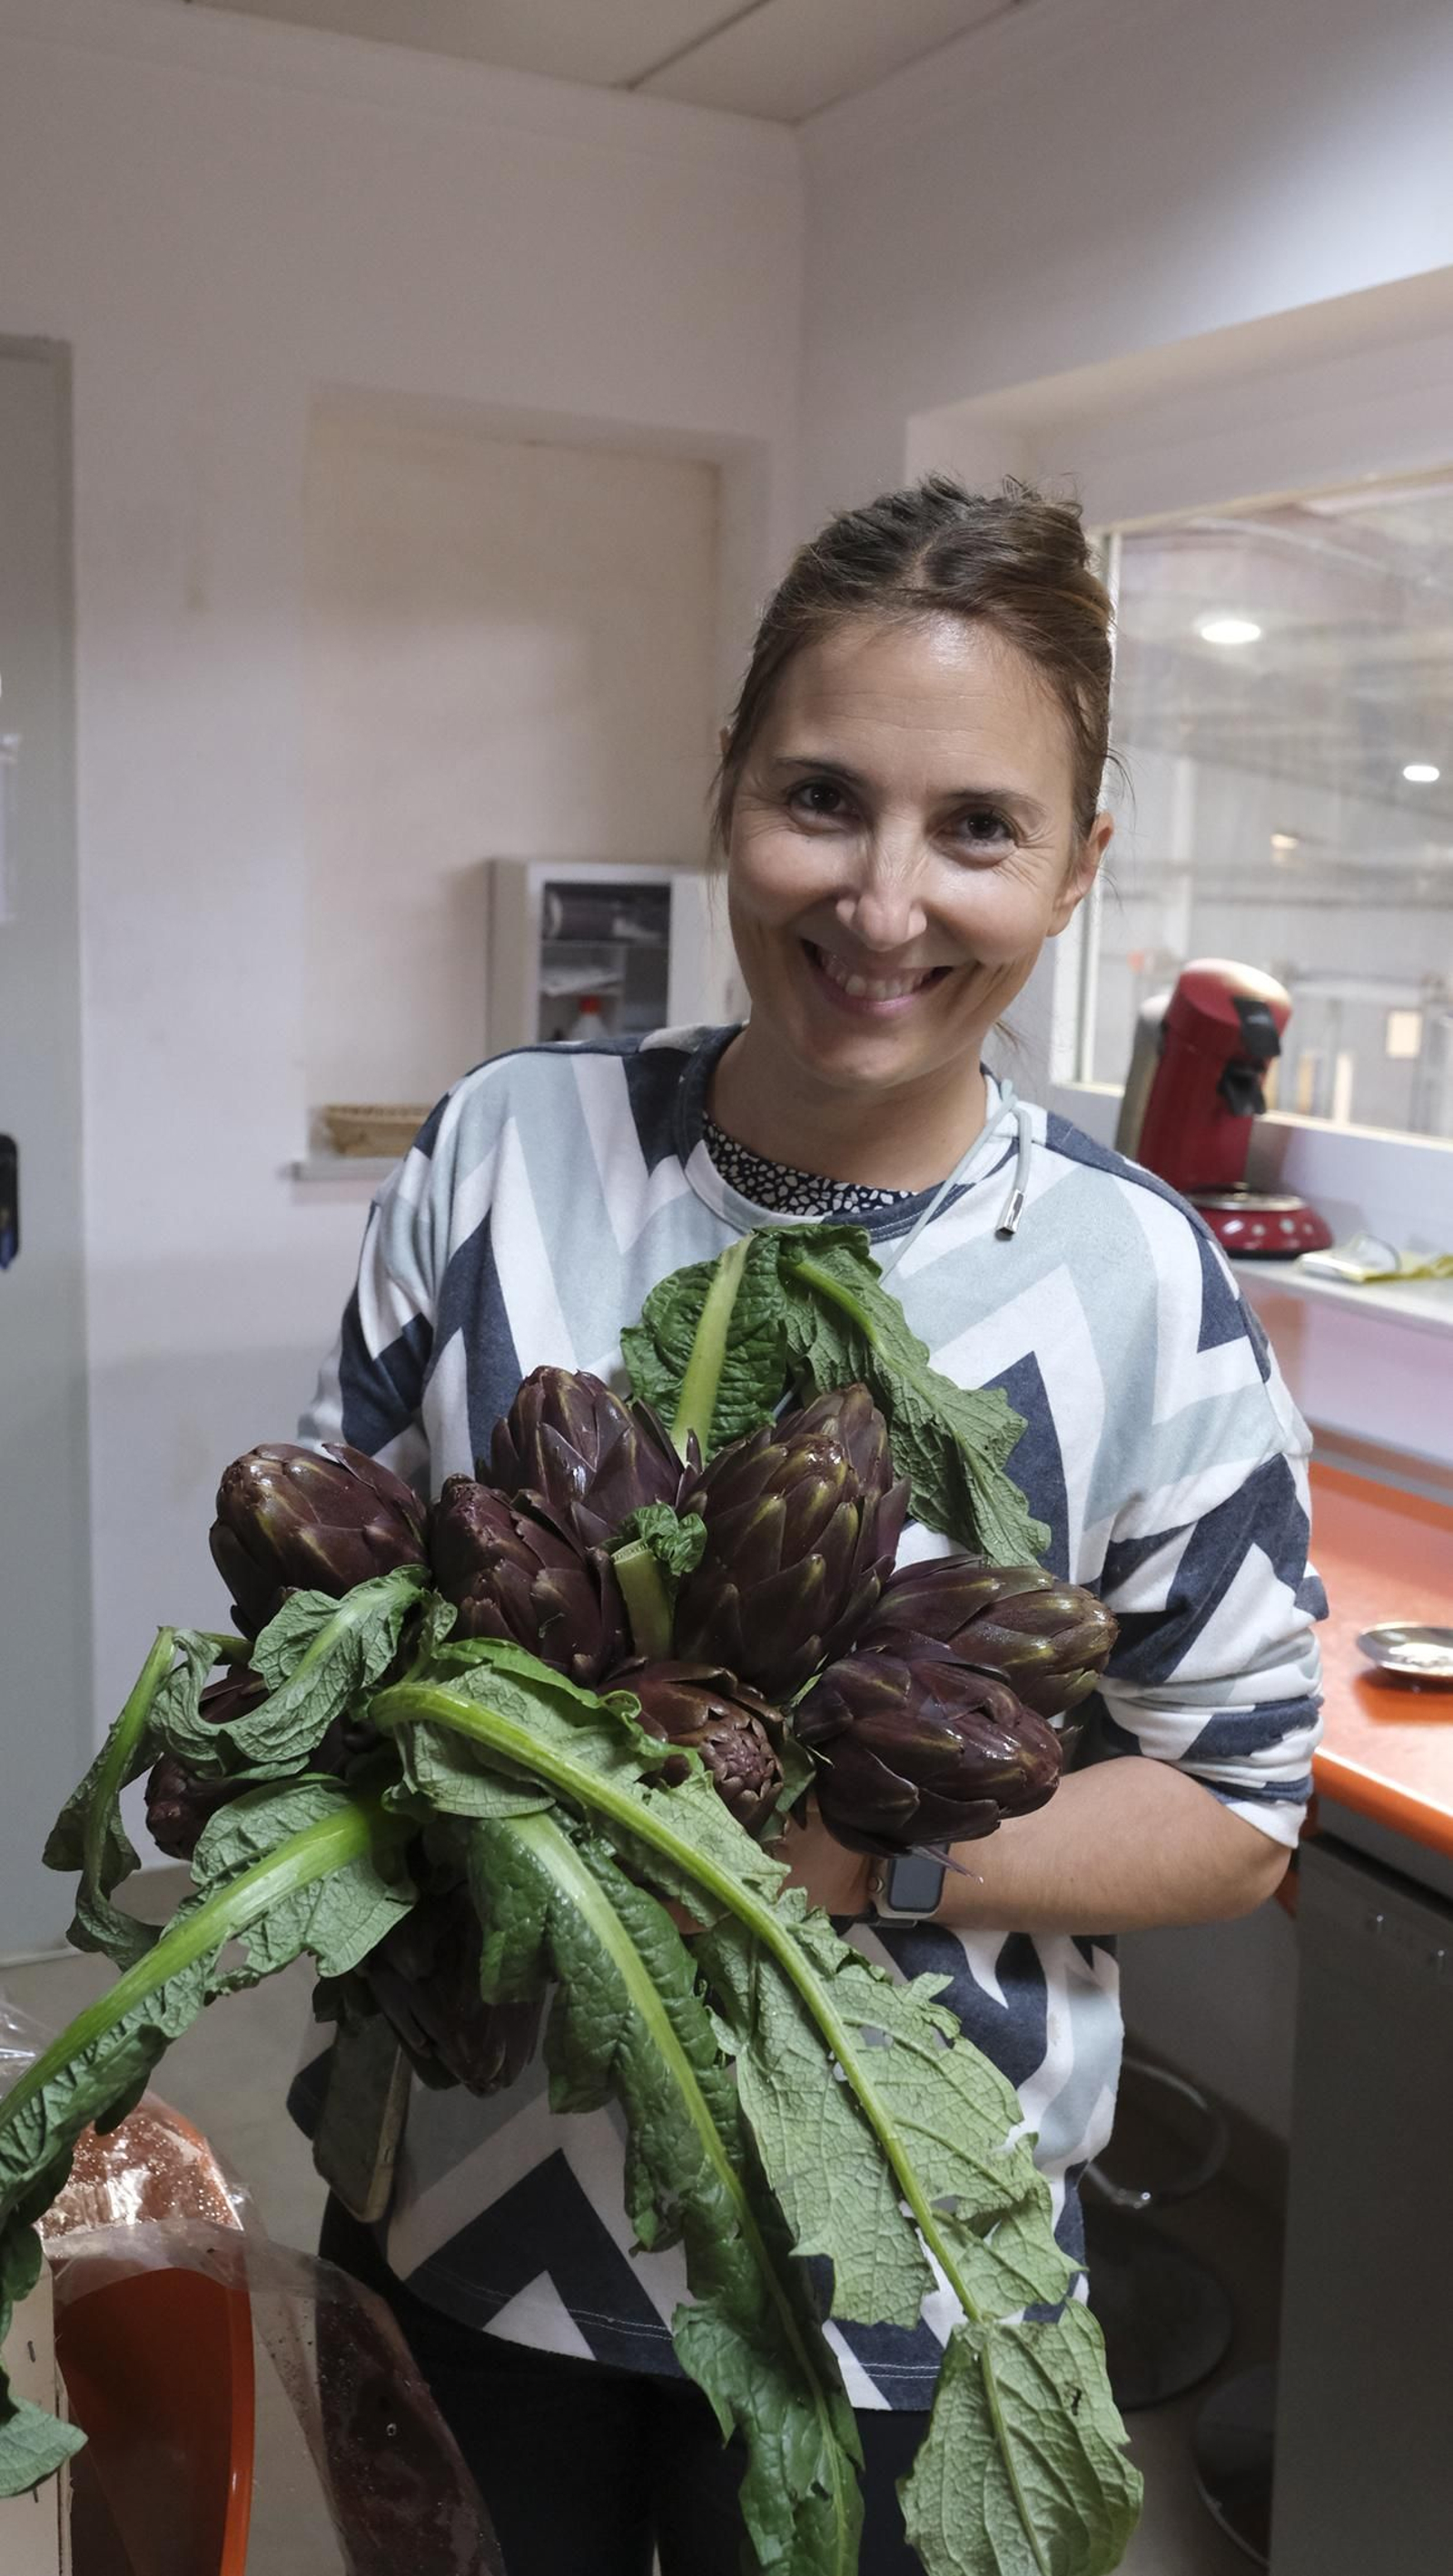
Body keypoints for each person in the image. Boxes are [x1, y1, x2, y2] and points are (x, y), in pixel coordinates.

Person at [292, 477, 1322, 2575]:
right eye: (820, 800)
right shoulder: (506, 1151)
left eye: (975, 828)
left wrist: (854, 1849)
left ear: (1077, 869)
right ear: (726, 800)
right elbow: (332, 1580)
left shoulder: (1132, 1283)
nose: (878, 903)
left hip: (897, 2266)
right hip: (473, 2207)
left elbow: (1234, 1809)